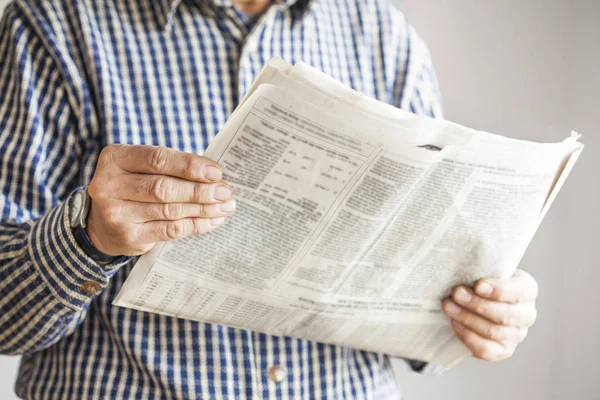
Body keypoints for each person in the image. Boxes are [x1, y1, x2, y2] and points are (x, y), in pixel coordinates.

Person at [0, 0, 539, 398]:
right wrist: (86, 237)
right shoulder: (52, 23)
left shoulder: (381, 32)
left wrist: (482, 308)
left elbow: (424, 259)